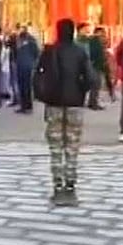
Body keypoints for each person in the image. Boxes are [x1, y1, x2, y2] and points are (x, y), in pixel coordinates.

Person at [33, 17, 94, 206]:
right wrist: (80, 90)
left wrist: (43, 94)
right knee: (72, 147)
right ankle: (71, 186)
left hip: (54, 104)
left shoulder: (49, 52)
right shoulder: (80, 52)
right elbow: (91, 78)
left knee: (56, 147)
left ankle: (57, 186)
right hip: (75, 104)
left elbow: (37, 76)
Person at [15, 27, 39, 114]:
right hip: (20, 66)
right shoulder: (19, 41)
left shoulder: (31, 42)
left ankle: (27, 106)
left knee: (26, 87)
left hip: (27, 66)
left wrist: (33, 63)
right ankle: (24, 105)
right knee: (22, 86)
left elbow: (36, 53)